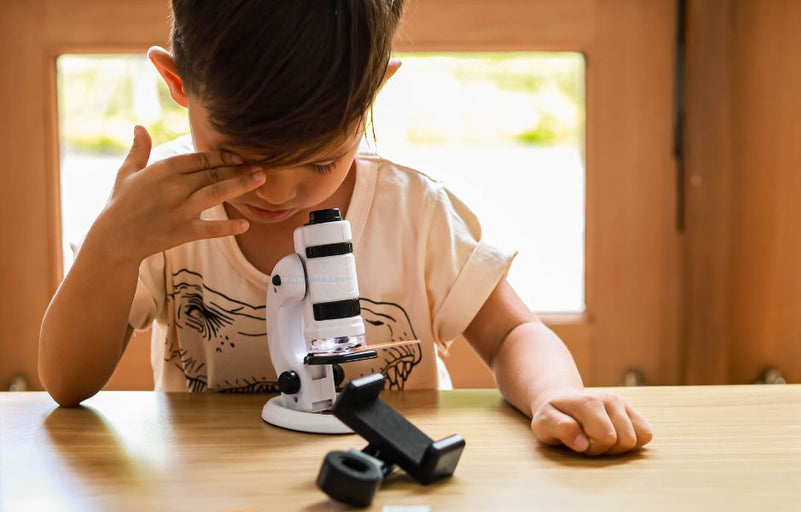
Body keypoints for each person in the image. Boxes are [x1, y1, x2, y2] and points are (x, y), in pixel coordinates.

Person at [38, 0, 651, 456]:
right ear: (178, 84)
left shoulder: (415, 213)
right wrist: (111, 246)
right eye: (243, 158)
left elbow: (515, 331)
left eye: (320, 161)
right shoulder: (163, 217)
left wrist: (553, 396)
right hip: (213, 486)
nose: (278, 192)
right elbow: (67, 383)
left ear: (375, 90)